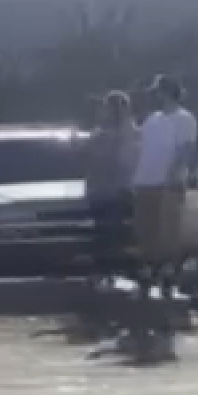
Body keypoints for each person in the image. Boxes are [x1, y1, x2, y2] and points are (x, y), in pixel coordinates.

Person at [130, 74, 198, 300]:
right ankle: (147, 272)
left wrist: (174, 174)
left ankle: (168, 274)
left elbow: (185, 149)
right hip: (145, 180)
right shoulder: (153, 119)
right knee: (146, 230)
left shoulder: (184, 118)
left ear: (167, 92)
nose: (155, 96)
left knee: (167, 231)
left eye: (158, 92)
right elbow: (141, 147)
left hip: (169, 182)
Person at [85, 91, 139, 283]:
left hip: (118, 190)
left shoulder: (128, 132)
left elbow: (124, 159)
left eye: (107, 107)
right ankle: (105, 272)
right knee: (102, 233)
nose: (104, 111)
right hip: (99, 190)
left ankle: (119, 271)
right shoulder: (100, 131)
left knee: (116, 233)